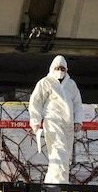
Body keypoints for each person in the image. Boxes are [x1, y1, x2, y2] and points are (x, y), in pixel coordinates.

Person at [29, 55, 84, 184]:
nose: (60, 70)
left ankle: (56, 180)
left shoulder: (71, 84)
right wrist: (36, 122)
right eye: (58, 68)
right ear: (52, 68)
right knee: (58, 150)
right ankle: (58, 182)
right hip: (52, 121)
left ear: (66, 69)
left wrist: (78, 121)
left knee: (66, 154)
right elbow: (35, 102)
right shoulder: (45, 83)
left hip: (68, 124)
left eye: (62, 68)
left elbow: (77, 104)